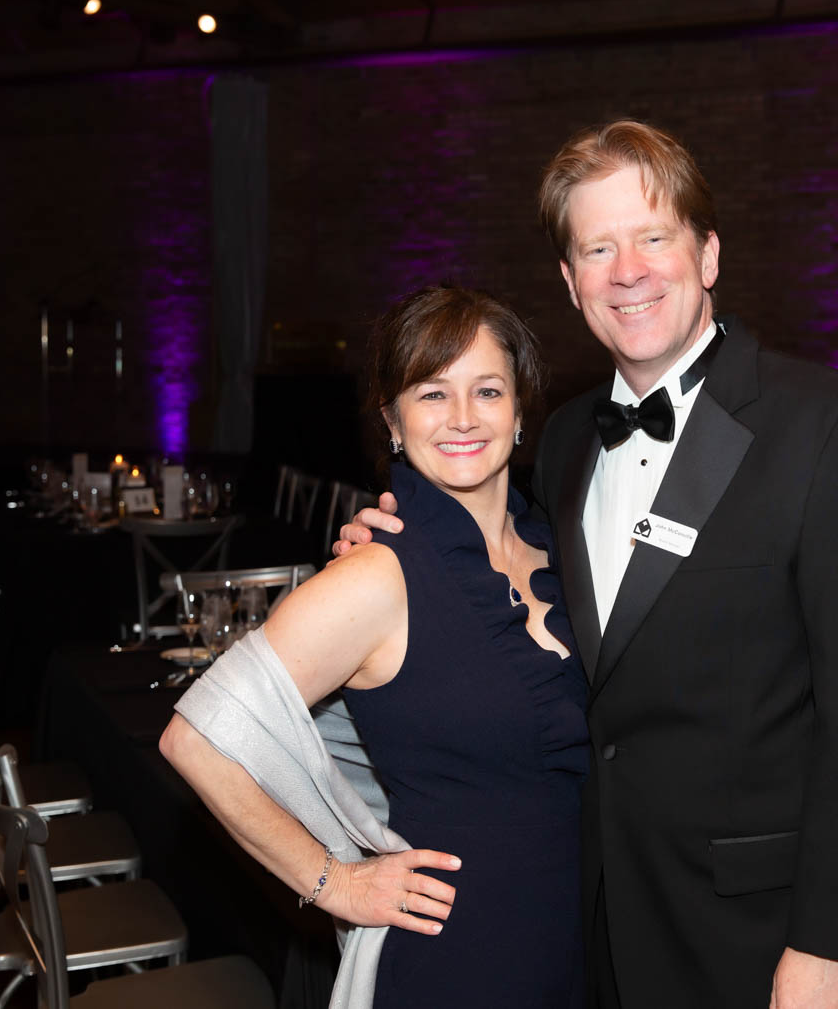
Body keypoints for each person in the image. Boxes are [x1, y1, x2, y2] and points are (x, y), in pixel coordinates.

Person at [338, 120, 838, 1009]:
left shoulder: (834, 430)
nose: (628, 271)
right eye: (599, 248)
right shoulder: (566, 440)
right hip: (590, 924)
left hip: (762, 939)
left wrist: (832, 947)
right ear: (571, 281)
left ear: (708, 255)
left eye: (654, 238)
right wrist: (397, 536)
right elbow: (513, 586)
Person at [161, 285, 589, 1008]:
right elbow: (195, 739)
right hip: (458, 960)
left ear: (520, 412)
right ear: (393, 420)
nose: (462, 416)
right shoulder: (376, 575)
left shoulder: (558, 549)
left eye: (487, 390)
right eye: (432, 393)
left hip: (573, 940)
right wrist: (335, 882)